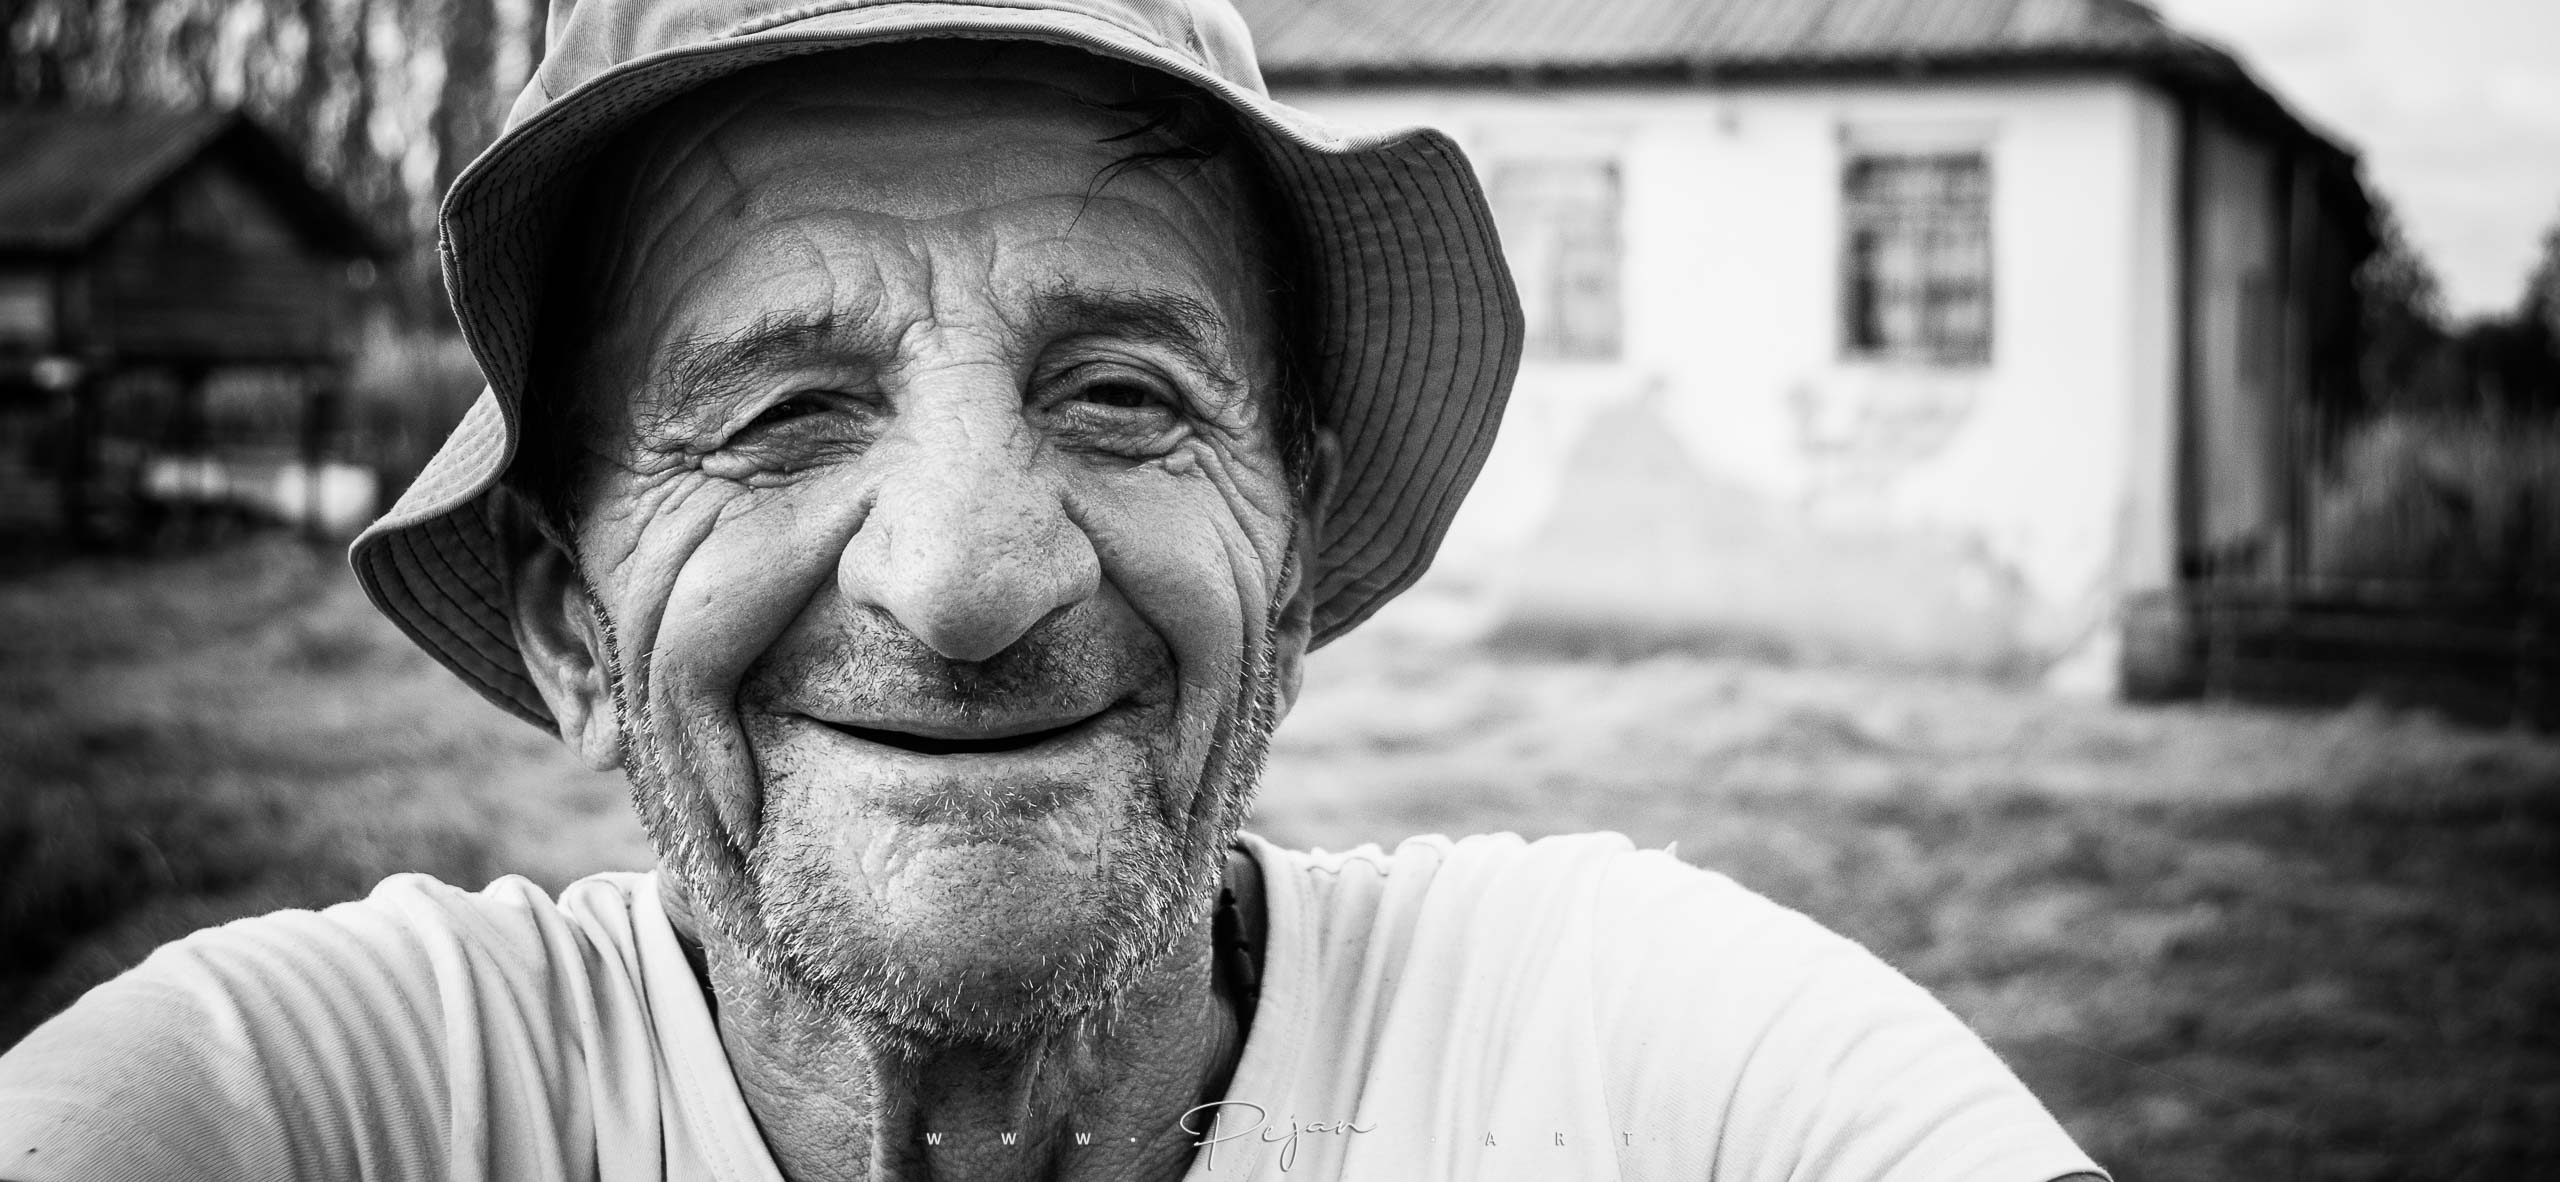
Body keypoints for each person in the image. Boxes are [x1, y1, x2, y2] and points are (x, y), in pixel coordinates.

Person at [0, 0, 2109, 1179]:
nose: (967, 577)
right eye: (781, 414)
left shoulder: (1638, 1058)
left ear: (1284, 565)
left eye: (1117, 393)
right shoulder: (325, 1112)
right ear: (570, 629)